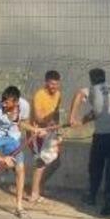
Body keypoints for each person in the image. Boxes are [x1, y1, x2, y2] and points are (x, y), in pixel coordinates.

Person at [68, 67, 110, 215]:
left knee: (95, 166)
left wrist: (72, 117)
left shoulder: (94, 89)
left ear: (91, 79)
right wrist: (83, 121)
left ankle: (91, 196)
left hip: (104, 136)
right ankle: (108, 202)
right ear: (104, 77)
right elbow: (100, 111)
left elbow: (79, 94)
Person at [0, 85, 38, 219]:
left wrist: (34, 130)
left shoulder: (24, 106)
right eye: (3, 100)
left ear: (16, 102)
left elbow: (21, 123)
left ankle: (19, 206)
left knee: (20, 168)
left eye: (7, 102)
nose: (3, 103)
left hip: (12, 138)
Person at [28, 70, 62, 204]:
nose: (54, 87)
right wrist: (48, 123)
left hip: (52, 131)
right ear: (46, 82)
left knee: (57, 162)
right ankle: (34, 193)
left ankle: (39, 185)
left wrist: (58, 130)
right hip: (38, 131)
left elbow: (57, 113)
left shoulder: (59, 94)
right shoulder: (39, 95)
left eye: (56, 84)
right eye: (52, 84)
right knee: (40, 163)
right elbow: (37, 117)